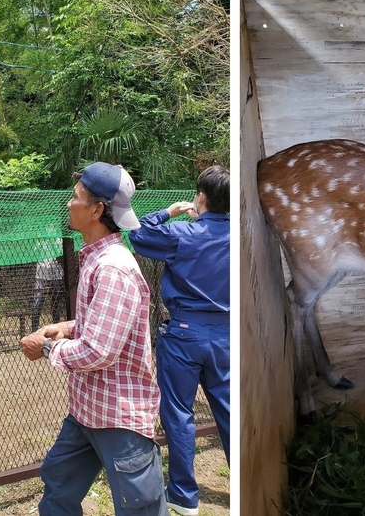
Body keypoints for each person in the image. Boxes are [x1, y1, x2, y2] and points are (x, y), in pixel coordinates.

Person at [19, 162, 166, 516]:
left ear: (97, 210)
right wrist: (69, 327)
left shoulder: (113, 267)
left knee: (140, 509)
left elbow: (98, 350)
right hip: (87, 410)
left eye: (76, 197)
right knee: (58, 486)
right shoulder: (97, 258)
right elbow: (105, 323)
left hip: (118, 417)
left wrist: (47, 347)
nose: (69, 204)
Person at [128, 165, 230, 516]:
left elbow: (138, 234)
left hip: (185, 334)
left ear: (201, 197)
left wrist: (168, 212)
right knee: (229, 411)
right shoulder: (237, 235)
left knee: (179, 413)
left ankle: (184, 496)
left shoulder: (183, 233)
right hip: (227, 336)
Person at [30, 257, 64, 333]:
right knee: (37, 304)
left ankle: (56, 328)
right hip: (41, 273)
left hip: (56, 273)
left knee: (56, 303)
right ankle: (34, 330)